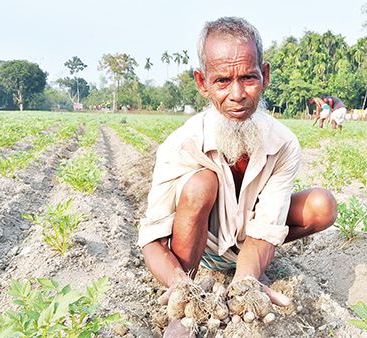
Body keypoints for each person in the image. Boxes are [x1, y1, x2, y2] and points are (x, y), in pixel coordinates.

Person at [138, 17, 337, 336]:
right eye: (222, 81)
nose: (237, 94)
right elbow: (153, 239)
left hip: (252, 241)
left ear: (265, 76)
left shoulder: (282, 144)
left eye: (248, 78)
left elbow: (268, 224)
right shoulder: (181, 146)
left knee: (321, 205)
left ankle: (247, 272)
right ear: (202, 83)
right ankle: (191, 294)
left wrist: (245, 283)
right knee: (202, 184)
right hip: (199, 250)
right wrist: (182, 288)